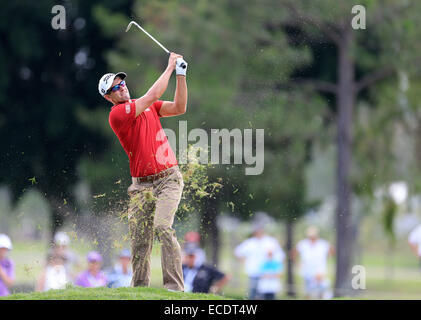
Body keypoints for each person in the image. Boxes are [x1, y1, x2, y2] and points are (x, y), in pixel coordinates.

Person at [98, 52, 188, 292]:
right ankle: (139, 290)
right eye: (115, 88)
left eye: (122, 83)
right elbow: (153, 95)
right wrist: (169, 67)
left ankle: (174, 288)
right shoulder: (117, 114)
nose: (122, 88)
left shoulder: (148, 107)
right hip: (141, 186)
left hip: (168, 179)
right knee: (139, 239)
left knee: (162, 227)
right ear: (109, 97)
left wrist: (181, 75)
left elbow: (179, 107)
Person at [234, 224, 285, 300]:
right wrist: (244, 262)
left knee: (269, 296)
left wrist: (276, 269)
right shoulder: (249, 242)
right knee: (253, 294)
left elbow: (280, 256)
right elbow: (237, 252)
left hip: (268, 274)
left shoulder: (270, 241)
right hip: (254, 273)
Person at [293, 226, 334, 299]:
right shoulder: (303, 243)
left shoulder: (322, 243)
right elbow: (294, 253)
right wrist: (297, 263)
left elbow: (331, 251)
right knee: (308, 291)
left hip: (319, 270)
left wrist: (326, 259)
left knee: (322, 288)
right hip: (307, 270)